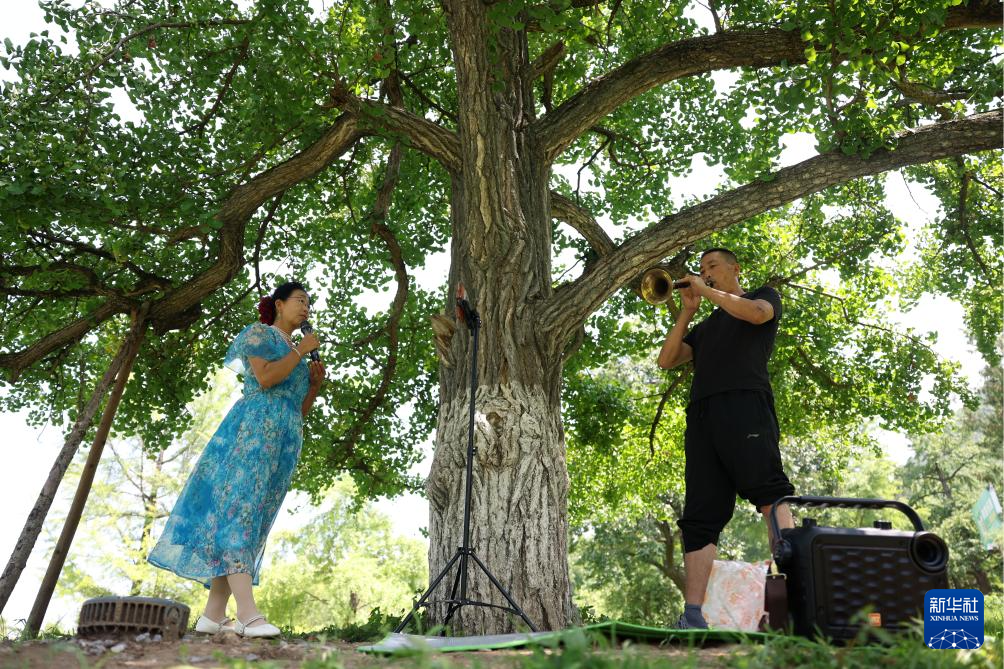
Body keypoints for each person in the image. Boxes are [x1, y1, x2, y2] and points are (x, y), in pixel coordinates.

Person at [149, 282, 326, 638]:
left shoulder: (297, 352)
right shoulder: (259, 334)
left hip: (285, 441)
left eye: (309, 303)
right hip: (253, 432)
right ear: (279, 304)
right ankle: (247, 614)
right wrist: (300, 351)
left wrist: (313, 386)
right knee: (240, 512)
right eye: (300, 300)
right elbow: (265, 378)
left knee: (254, 520)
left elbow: (297, 410)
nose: (306, 307)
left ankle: (213, 615)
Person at [657, 248, 795, 630]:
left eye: (712, 266)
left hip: (745, 405)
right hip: (703, 416)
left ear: (735, 268)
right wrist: (687, 311)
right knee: (700, 516)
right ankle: (693, 616)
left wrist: (708, 291)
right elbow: (667, 359)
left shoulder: (763, 296)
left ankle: (799, 597)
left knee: (770, 493)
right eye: (702, 270)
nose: (705, 273)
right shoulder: (705, 328)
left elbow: (757, 315)